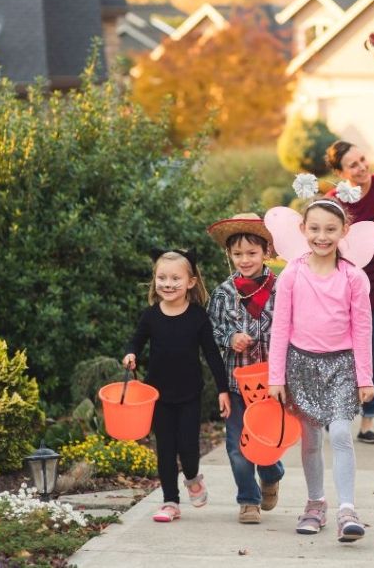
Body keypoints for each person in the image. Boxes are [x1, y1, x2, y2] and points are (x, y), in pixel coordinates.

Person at [267, 197, 374, 542]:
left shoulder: (353, 277)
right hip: (302, 366)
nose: (322, 236)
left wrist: (364, 376)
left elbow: (362, 328)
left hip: (342, 366)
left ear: (344, 231)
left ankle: (347, 510)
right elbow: (280, 327)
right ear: (303, 230)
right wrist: (276, 376)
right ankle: (315, 504)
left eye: (330, 229)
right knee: (311, 441)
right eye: (314, 228)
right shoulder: (292, 275)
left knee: (341, 434)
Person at [123, 249, 231, 523]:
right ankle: (170, 501)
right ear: (154, 280)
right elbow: (135, 340)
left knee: (189, 448)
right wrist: (130, 354)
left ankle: (193, 476)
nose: (168, 284)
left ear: (191, 282)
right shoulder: (151, 316)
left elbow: (212, 355)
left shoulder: (197, 317)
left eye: (175, 279)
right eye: (162, 278)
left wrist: (223, 389)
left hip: (190, 394)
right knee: (166, 450)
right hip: (158, 395)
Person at [206, 213, 285, 525]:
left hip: (270, 386)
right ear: (229, 255)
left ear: (266, 251)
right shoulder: (223, 293)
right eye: (237, 254)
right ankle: (248, 500)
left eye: (252, 253)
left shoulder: (281, 289)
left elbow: (290, 330)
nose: (245, 259)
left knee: (265, 441)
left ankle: (271, 473)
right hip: (237, 385)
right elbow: (210, 331)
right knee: (238, 445)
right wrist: (230, 337)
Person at [325, 140, 374, 444]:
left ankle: (368, 422)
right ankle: (338, 414)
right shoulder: (335, 202)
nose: (361, 168)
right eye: (353, 165)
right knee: (344, 360)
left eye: (362, 160)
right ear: (341, 172)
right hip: (347, 295)